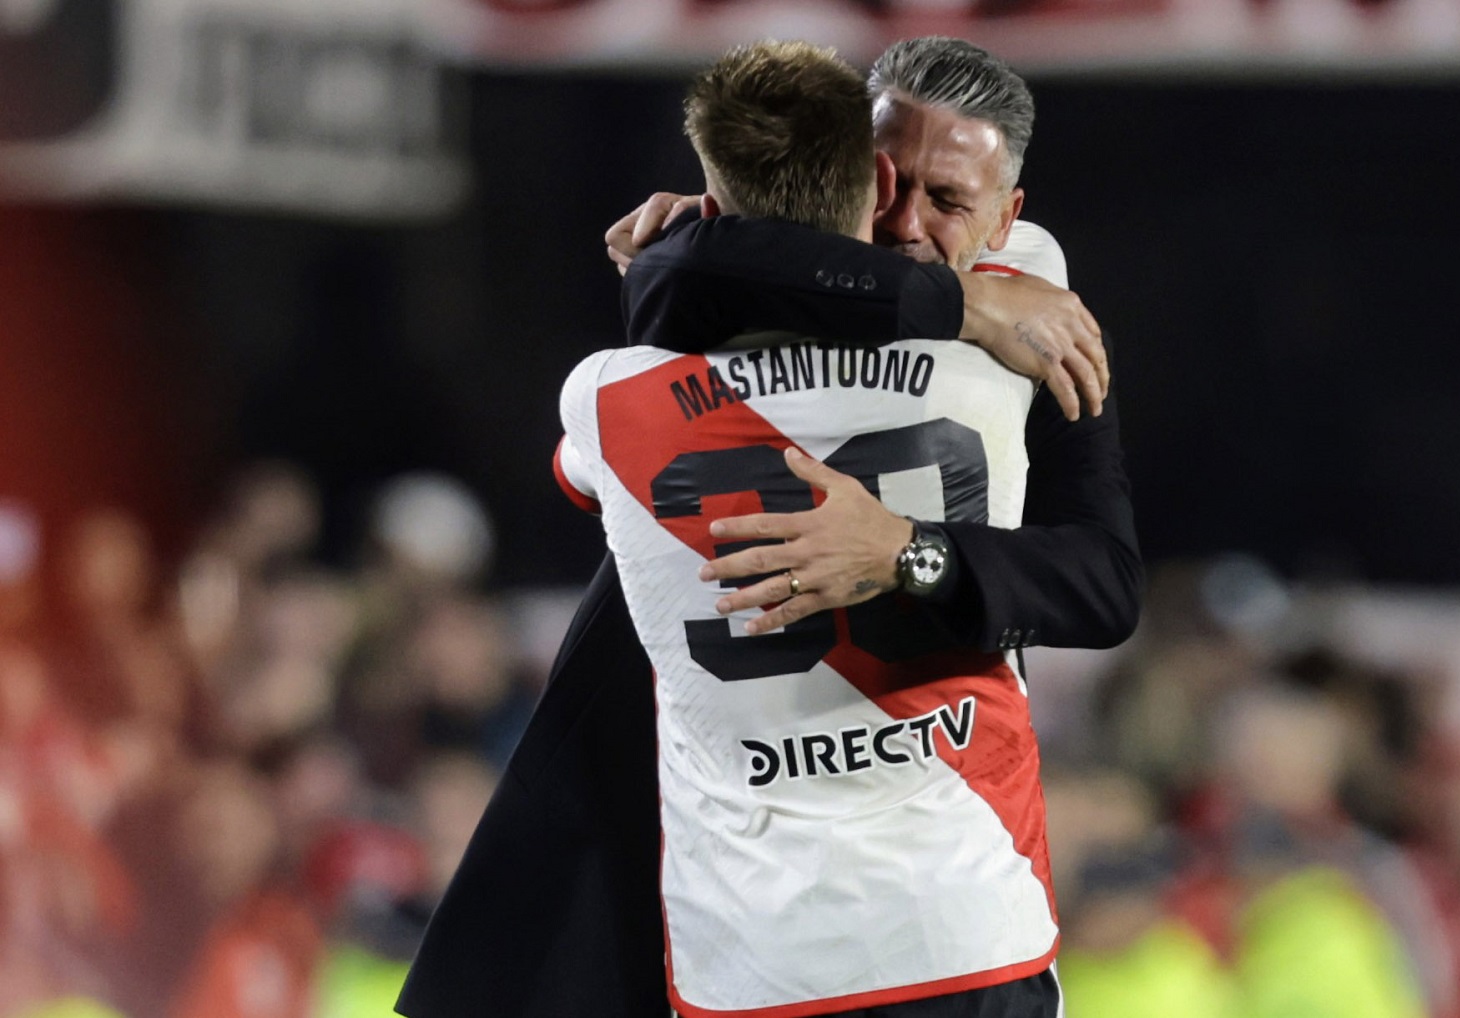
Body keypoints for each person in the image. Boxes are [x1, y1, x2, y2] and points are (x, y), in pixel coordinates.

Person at [397, 36, 1139, 1018]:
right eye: (885, 182)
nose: (906, 224)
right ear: (853, 169)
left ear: (1008, 217)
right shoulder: (1005, 312)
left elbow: (1101, 583)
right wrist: (955, 302)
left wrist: (902, 553)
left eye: (948, 201)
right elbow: (698, 258)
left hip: (805, 931)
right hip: (925, 921)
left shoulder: (643, 367)